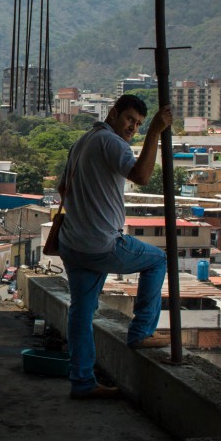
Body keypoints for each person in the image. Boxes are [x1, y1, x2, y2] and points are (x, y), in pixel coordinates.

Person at [57, 94, 173, 400]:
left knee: (81, 312)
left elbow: (61, 188)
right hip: (100, 243)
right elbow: (142, 175)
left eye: (138, 123)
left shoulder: (83, 140)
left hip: (72, 242)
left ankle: (82, 382)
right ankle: (141, 333)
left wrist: (85, 207)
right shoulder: (112, 143)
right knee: (157, 260)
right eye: (129, 119)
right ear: (114, 113)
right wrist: (155, 133)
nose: (132, 127)